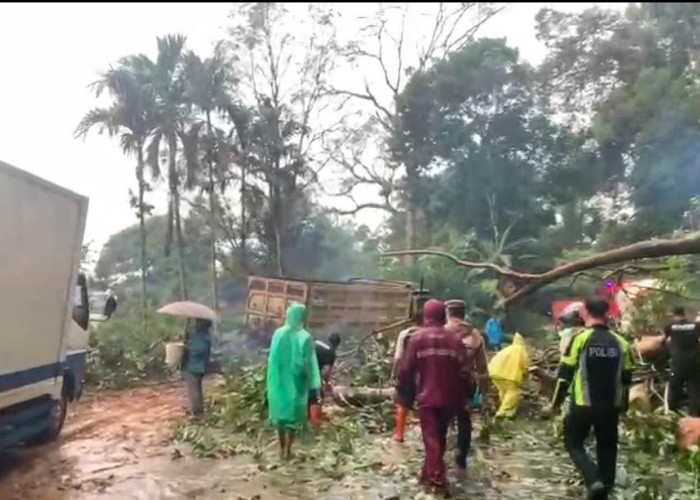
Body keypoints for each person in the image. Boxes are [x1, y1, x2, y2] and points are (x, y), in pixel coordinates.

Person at [546, 297, 634, 500]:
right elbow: (627, 379)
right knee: (608, 447)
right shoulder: (621, 343)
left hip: (583, 405)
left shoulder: (580, 339)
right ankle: (606, 488)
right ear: (607, 314)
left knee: (573, 442)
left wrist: (555, 404)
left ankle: (594, 480)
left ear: (585, 313)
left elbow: (564, 376)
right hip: (611, 406)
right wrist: (624, 407)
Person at [399, 299, 471, 496]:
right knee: (440, 436)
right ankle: (426, 473)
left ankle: (438, 483)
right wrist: (466, 395)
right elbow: (466, 371)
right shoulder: (455, 340)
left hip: (427, 398)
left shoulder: (417, 338)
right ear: (443, 316)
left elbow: (406, 370)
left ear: (426, 316)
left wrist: (405, 397)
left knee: (431, 439)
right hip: (451, 399)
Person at [267, 303, 321, 461]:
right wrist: (312, 381)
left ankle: (281, 447)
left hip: (277, 382)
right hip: (296, 383)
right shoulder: (305, 337)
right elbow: (308, 362)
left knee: (279, 415)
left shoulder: (278, 333)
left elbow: (272, 359)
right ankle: (288, 450)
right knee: (293, 417)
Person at [444, 299, 489, 472]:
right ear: (464, 313)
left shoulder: (441, 331)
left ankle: (441, 454)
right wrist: (485, 393)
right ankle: (461, 457)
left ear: (448, 313)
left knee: (442, 417)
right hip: (466, 384)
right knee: (464, 418)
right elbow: (483, 366)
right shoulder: (475, 334)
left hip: (444, 383)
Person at [392, 309, 423, 442]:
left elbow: (398, 357)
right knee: (424, 404)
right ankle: (424, 433)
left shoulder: (405, 334)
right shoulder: (428, 334)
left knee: (402, 404)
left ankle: (399, 434)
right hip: (424, 374)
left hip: (407, 373)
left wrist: (394, 372)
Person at [664, 306, 700, 416]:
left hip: (678, 362)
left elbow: (665, 341)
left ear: (675, 315)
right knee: (694, 388)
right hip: (694, 362)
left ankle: (672, 412)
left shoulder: (670, 327)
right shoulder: (695, 326)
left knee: (674, 386)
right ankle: (694, 413)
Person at [488, 332, 530, 418]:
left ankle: (508, 412)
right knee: (513, 393)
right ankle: (502, 412)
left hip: (494, 373)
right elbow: (525, 364)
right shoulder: (520, 350)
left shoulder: (507, 349)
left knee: (503, 391)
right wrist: (526, 372)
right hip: (510, 376)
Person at [182, 318, 213, 418]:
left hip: (193, 366)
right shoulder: (206, 337)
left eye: (197, 322)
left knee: (193, 390)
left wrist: (187, 346)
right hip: (201, 366)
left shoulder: (197, 337)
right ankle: (198, 410)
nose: (195, 324)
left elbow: (195, 350)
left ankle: (197, 413)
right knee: (198, 389)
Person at [308, 331, 341, 424]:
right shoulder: (331, 353)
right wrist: (327, 384)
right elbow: (326, 372)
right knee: (318, 394)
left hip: (301, 368)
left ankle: (307, 414)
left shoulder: (317, 342)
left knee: (307, 392)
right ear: (337, 345)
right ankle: (314, 419)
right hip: (312, 372)